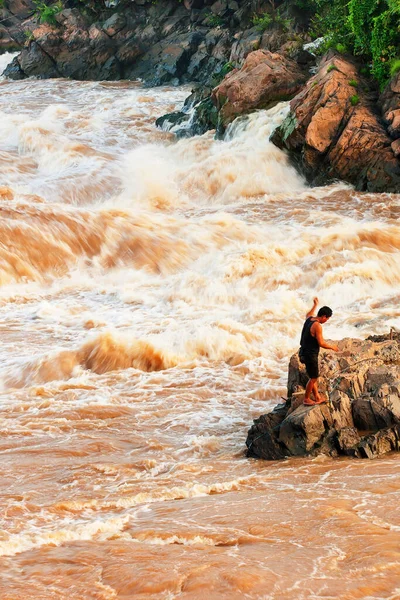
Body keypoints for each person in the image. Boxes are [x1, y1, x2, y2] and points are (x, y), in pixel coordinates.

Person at [299, 297, 339, 406]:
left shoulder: (310, 319)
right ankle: (306, 399)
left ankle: (317, 397)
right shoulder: (317, 326)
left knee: (313, 375)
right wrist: (332, 347)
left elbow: (308, 313)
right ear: (324, 317)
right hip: (310, 355)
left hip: (303, 352)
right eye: (327, 319)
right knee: (314, 377)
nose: (326, 321)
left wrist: (315, 305)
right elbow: (321, 343)